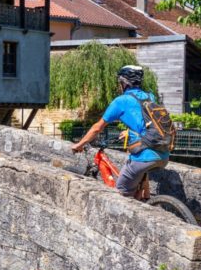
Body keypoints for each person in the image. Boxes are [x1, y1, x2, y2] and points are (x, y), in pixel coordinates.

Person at [71, 65, 170, 197]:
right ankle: (145, 198)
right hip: (163, 153)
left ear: (124, 83)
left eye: (120, 82)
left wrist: (79, 145)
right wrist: (130, 133)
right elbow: (145, 123)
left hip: (145, 155)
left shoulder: (121, 101)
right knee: (138, 190)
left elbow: (97, 128)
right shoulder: (150, 97)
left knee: (119, 195)